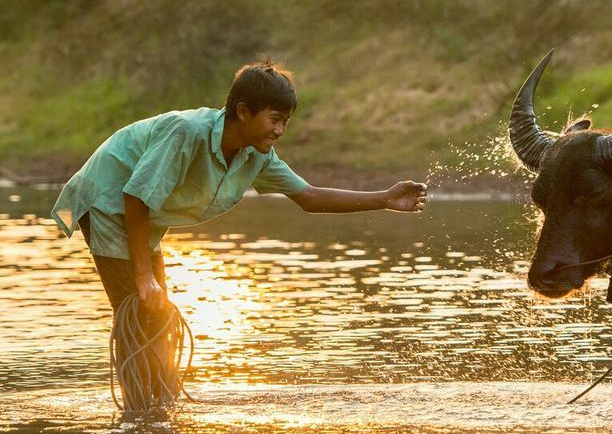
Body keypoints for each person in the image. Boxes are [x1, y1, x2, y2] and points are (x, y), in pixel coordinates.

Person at [50, 60, 428, 407]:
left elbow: (309, 197)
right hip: (109, 199)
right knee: (138, 312)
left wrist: (384, 198)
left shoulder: (256, 154)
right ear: (243, 111)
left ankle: (159, 405)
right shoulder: (188, 133)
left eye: (286, 122)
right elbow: (134, 195)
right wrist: (144, 274)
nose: (280, 131)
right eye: (275, 119)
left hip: (141, 213)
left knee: (158, 315)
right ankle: (143, 415)